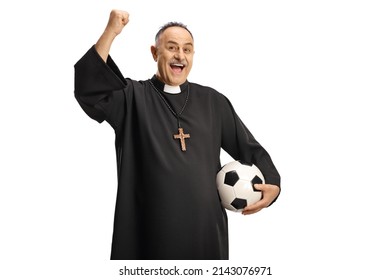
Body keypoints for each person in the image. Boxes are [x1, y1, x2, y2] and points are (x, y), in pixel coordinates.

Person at [74, 9, 281, 260]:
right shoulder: (132, 97)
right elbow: (90, 89)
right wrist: (111, 32)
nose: (180, 56)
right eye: (172, 48)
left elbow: (250, 149)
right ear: (154, 53)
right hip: (147, 235)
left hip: (205, 235)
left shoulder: (213, 102)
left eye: (187, 49)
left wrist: (273, 186)